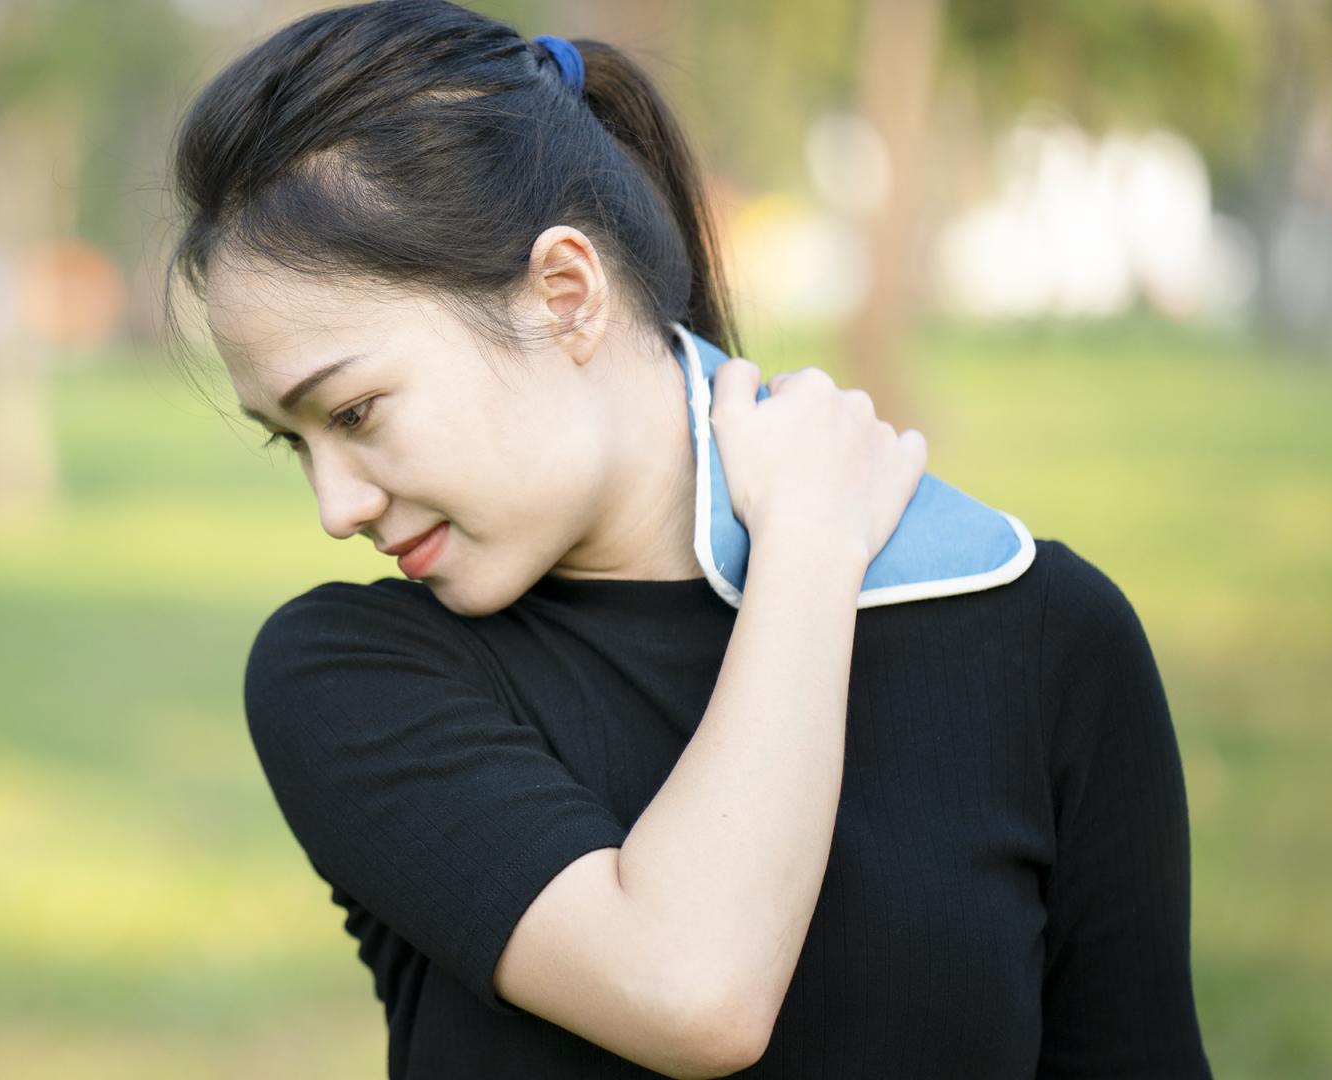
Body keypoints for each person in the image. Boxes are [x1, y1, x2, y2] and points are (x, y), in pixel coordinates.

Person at [163, 2, 1214, 1076]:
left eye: (352, 413)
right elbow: (691, 988)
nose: (334, 507)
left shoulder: (1041, 634)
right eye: (291, 443)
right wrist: (804, 548)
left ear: (564, 296)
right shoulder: (352, 676)